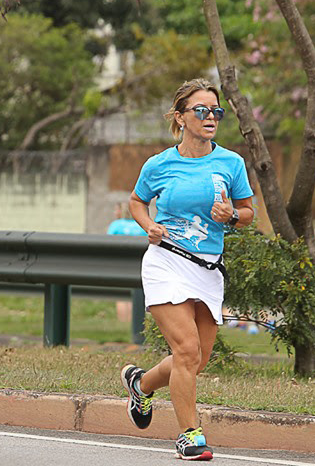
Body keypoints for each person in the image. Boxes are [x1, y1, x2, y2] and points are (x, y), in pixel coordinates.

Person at [120, 78, 253, 461]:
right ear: (180, 117)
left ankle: (141, 385)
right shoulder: (159, 164)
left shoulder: (231, 162)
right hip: (166, 261)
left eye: (216, 111)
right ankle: (189, 436)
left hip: (208, 267)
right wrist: (148, 226)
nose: (210, 116)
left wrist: (231, 217)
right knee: (186, 349)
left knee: (195, 360)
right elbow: (136, 201)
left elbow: (248, 213)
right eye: (201, 110)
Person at [107, 202, 147, 322]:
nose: (114, 212)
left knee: (122, 296)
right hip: (139, 264)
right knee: (137, 294)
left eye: (116, 210)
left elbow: (107, 242)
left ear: (121, 211)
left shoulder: (115, 225)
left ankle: (123, 322)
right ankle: (135, 321)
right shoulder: (142, 224)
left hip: (120, 264)